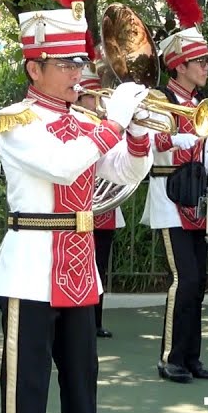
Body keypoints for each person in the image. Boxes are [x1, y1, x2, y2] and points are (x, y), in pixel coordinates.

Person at [0, 0, 150, 413]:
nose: (80, 71)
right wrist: (113, 125)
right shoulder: (16, 119)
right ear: (34, 67)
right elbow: (60, 164)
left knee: (82, 379)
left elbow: (118, 177)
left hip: (79, 263)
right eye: (67, 63)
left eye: (81, 60)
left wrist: (136, 137)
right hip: (32, 263)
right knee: (26, 385)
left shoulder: (87, 120)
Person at [143, 0, 208, 383]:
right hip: (168, 196)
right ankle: (170, 357)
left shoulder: (199, 106)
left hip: (195, 197)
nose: (206, 67)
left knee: (199, 282)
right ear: (179, 65)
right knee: (185, 280)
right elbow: (149, 144)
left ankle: (191, 357)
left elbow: (200, 155)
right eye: (200, 61)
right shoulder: (158, 99)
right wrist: (175, 139)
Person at [78, 64, 120, 339]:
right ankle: (82, 321)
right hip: (78, 207)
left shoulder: (104, 126)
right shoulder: (79, 125)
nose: (98, 103)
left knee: (100, 267)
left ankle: (95, 320)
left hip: (104, 208)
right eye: (92, 97)